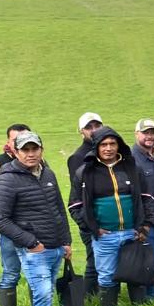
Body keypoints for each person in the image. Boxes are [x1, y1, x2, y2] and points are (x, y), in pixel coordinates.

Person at [0, 132, 72, 306]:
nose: (30, 154)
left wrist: (66, 241)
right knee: (43, 295)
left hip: (55, 246)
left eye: (34, 149)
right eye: (25, 150)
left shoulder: (48, 174)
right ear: (15, 152)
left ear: (41, 150)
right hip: (33, 251)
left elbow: (59, 210)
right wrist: (31, 242)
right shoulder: (7, 179)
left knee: (47, 293)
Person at [68, 127, 154, 306]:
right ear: (96, 147)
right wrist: (92, 228)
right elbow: (74, 205)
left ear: (119, 145)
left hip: (132, 233)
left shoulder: (132, 168)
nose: (108, 148)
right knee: (107, 277)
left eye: (112, 144)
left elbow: (147, 198)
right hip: (104, 236)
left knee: (136, 274)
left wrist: (146, 225)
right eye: (104, 144)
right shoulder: (85, 172)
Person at [0, 123, 30, 306]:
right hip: (9, 231)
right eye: (15, 139)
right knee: (11, 273)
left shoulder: (39, 162)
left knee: (37, 274)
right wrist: (2, 223)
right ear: (8, 141)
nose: (19, 143)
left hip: (36, 228)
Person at [67, 112, 103, 295]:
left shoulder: (108, 151)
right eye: (89, 127)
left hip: (109, 217)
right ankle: (91, 299)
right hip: (91, 218)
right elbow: (79, 194)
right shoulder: (77, 157)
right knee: (94, 260)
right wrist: (87, 222)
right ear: (81, 131)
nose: (94, 130)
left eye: (97, 125)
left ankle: (105, 295)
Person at [130, 119, 154, 300]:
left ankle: (150, 296)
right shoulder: (130, 158)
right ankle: (147, 300)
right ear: (137, 134)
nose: (150, 136)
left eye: (152, 132)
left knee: (153, 259)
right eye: (145, 133)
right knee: (149, 260)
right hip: (143, 220)